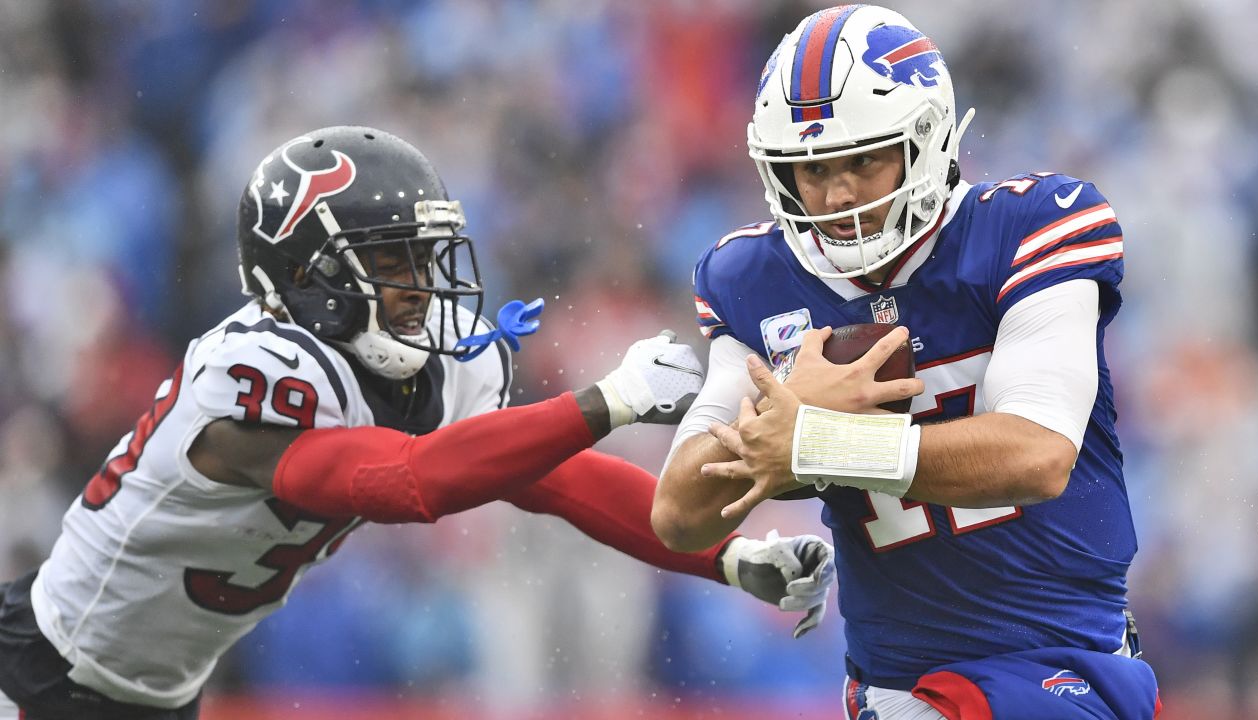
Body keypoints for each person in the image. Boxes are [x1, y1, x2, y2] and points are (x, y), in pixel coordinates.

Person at [0, 126, 835, 720]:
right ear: (308, 277)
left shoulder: (428, 370)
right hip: (38, 672)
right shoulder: (251, 383)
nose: (423, 287)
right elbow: (404, 482)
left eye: (425, 257)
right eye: (391, 261)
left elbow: (554, 482)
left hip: (155, 693)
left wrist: (726, 557)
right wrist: (605, 403)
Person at [651, 6, 1162, 719]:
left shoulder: (1027, 230)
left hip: (1058, 674)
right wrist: (786, 415)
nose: (837, 195)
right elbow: (677, 514)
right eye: (811, 167)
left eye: (863, 159)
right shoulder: (752, 279)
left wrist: (814, 439)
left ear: (925, 139)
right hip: (890, 690)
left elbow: (1038, 455)